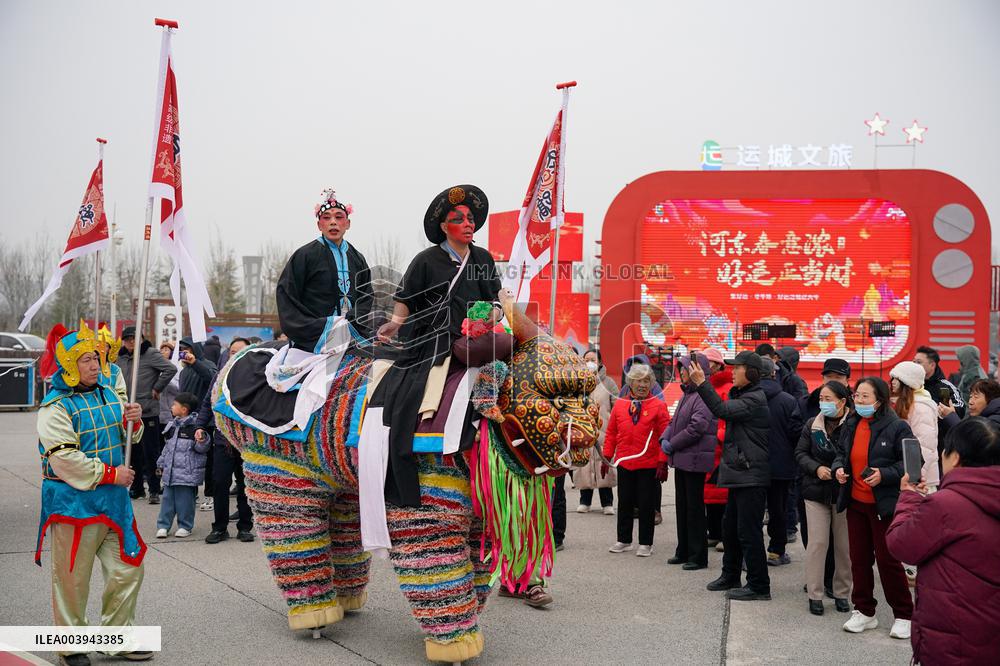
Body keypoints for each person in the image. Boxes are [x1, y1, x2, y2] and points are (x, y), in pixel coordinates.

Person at [372, 184, 504, 509]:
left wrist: (490, 314)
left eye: (471, 217)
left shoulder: (483, 258)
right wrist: (395, 323)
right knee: (404, 396)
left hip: (476, 339)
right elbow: (404, 299)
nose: (468, 223)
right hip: (433, 342)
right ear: (445, 227)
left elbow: (497, 301)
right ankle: (402, 465)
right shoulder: (426, 260)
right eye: (459, 218)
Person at [35, 324, 150, 665]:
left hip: (113, 504)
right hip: (74, 504)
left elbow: (130, 438)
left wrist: (134, 421)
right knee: (73, 578)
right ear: (69, 365)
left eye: (96, 358)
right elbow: (64, 458)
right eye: (85, 359)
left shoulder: (108, 393)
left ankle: (116, 639)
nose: (94, 364)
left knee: (127, 569)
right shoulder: (54, 407)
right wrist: (112, 474)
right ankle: (72, 646)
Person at [886, 417, 1000, 665]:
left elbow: (901, 544)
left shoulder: (947, 504)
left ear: (955, 457)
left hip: (955, 637)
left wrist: (908, 498)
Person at [832, 377, 915, 639]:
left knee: (888, 561)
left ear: (880, 401)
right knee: (859, 559)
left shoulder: (897, 426)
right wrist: (839, 469)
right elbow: (839, 454)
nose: (859, 401)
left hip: (883, 506)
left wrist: (885, 474)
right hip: (856, 502)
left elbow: (912, 464)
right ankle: (864, 611)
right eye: (857, 396)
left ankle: (904, 614)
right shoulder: (852, 424)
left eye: (865, 397)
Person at [689, 351, 772, 601]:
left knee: (749, 531)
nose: (733, 371)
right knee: (731, 528)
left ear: (752, 372)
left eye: (738, 367)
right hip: (740, 472)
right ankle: (730, 575)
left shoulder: (755, 398)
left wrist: (702, 383)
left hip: (751, 475)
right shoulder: (744, 394)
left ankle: (759, 586)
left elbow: (721, 409)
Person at [276, 188, 374, 350]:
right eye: (326, 218)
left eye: (339, 217)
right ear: (319, 225)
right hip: (315, 337)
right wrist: (316, 326)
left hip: (352, 334)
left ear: (347, 224)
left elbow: (366, 295)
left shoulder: (358, 258)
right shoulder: (304, 255)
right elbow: (287, 295)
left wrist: (353, 318)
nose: (333, 222)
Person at [795, 381, 853, 616]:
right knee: (817, 544)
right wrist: (817, 468)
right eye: (821, 399)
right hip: (815, 491)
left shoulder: (854, 424)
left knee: (843, 546)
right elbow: (800, 453)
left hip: (843, 494)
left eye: (828, 399)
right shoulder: (813, 424)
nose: (823, 403)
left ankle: (841, 593)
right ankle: (815, 594)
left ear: (842, 401)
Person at [604, 363, 669, 557]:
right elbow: (612, 433)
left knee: (646, 504)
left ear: (651, 384)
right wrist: (607, 456)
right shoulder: (621, 404)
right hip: (625, 461)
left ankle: (646, 543)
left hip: (648, 464)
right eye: (638, 381)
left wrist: (662, 461)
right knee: (624, 502)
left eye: (646, 381)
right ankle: (623, 540)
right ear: (630, 383)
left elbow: (665, 435)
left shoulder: (658, 405)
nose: (642, 385)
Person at [661, 354, 716, 570]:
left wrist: (672, 444)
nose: (681, 372)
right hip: (683, 458)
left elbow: (696, 427)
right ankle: (683, 550)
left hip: (694, 459)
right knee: (683, 508)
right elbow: (675, 421)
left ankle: (697, 556)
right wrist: (665, 436)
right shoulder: (688, 393)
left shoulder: (703, 395)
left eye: (684, 368)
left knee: (694, 510)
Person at [197, 337, 255, 544]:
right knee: (220, 483)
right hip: (223, 440)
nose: (236, 355)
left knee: (245, 485)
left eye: (241, 351)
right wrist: (200, 426)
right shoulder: (220, 377)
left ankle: (245, 527)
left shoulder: (258, 377)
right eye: (232, 351)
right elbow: (207, 403)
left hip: (248, 442)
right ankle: (219, 528)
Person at [116, 326, 178, 504]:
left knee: (150, 452)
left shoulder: (150, 353)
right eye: (127, 339)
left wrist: (157, 388)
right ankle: (136, 488)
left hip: (147, 410)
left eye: (134, 338)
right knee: (132, 452)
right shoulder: (120, 358)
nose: (131, 341)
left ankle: (154, 489)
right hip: (127, 411)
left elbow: (170, 369)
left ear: (141, 339)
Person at [759, 358, 803, 566]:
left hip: (753, 464)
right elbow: (796, 433)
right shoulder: (787, 400)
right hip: (782, 464)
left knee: (752, 511)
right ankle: (777, 551)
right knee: (779, 509)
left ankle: (751, 555)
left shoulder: (747, 397)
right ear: (774, 375)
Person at [155, 392, 209, 538]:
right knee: (167, 501)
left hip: (187, 473)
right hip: (170, 473)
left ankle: (185, 525)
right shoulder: (172, 426)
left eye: (174, 405)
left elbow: (202, 449)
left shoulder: (195, 427)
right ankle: (163, 525)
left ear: (184, 409)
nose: (171, 407)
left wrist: (202, 439)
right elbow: (167, 447)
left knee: (185, 502)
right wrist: (161, 462)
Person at [576, 348, 618, 514]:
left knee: (603, 463)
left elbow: (616, 406)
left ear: (600, 362)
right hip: (583, 431)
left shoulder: (609, 383)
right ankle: (584, 501)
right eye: (586, 360)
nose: (589, 363)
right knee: (584, 464)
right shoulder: (578, 383)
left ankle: (607, 502)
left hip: (604, 431)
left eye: (592, 359)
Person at [889, 361, 940, 492]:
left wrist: (915, 478)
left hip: (921, 482)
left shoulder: (921, 407)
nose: (892, 382)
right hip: (909, 480)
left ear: (907, 382)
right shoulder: (907, 404)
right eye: (893, 378)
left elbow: (926, 447)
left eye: (897, 379)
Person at [700, 347, 731, 550]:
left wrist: (719, 436)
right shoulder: (703, 386)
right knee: (709, 494)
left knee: (723, 494)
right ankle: (713, 532)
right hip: (706, 447)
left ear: (719, 364)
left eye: (710, 362)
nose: (707, 366)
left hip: (720, 446)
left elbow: (727, 417)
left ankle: (724, 535)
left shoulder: (727, 388)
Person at [914, 345, 965, 457]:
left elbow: (955, 407)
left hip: (937, 445)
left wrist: (951, 411)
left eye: (919, 362)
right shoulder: (910, 386)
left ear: (932, 365)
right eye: (914, 362)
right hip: (912, 442)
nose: (915, 365)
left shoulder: (943, 387)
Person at [176, 337, 217, 405]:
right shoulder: (184, 370)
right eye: (181, 349)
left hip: (201, 411)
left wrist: (194, 362)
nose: (183, 352)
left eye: (186, 349)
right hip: (185, 412)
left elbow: (214, 380)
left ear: (195, 349)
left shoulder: (208, 364)